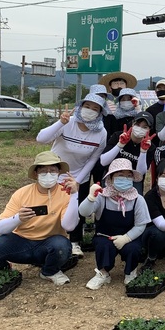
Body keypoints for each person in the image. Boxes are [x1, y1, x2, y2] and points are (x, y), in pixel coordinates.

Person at [0, 151, 79, 285]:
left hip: (49, 243)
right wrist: (18, 218)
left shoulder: (66, 193)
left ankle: (49, 271)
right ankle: (1, 269)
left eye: (53, 170)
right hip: (21, 241)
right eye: (43, 171)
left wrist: (75, 194)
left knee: (62, 246)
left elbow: (69, 226)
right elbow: (1, 228)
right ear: (36, 174)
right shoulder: (22, 193)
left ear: (59, 173)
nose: (48, 174)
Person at [36, 93, 107, 257]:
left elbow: (93, 159)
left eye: (95, 109)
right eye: (87, 106)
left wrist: (78, 180)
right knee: (49, 206)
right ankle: (46, 237)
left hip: (78, 174)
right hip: (54, 171)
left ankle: (75, 242)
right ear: (81, 107)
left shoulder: (101, 133)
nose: (90, 111)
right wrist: (60, 122)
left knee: (76, 210)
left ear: (100, 113)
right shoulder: (69, 122)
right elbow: (41, 139)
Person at [79, 158, 151, 290]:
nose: (125, 179)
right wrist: (90, 198)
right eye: (120, 175)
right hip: (105, 235)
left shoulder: (138, 199)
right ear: (110, 179)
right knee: (102, 245)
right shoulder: (101, 197)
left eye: (129, 176)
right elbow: (84, 212)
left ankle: (131, 272)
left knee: (133, 248)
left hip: (129, 235)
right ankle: (103, 273)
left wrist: (126, 238)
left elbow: (141, 225)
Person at [101, 111, 156, 194]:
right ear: (132, 124)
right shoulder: (118, 136)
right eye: (137, 125)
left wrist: (143, 151)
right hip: (113, 176)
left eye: (145, 127)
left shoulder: (150, 147)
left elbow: (140, 172)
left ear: (149, 130)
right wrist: (120, 144)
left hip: (133, 180)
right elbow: (103, 161)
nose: (140, 129)